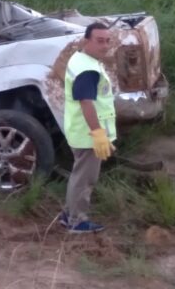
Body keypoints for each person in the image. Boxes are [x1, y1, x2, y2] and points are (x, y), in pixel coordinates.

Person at [59, 22, 116, 234]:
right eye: (99, 41)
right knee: (84, 179)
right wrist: (98, 134)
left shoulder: (82, 59)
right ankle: (76, 221)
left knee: (80, 175)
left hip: (81, 131)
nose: (105, 45)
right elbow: (86, 103)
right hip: (88, 134)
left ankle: (68, 214)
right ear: (86, 41)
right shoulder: (87, 70)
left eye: (107, 40)